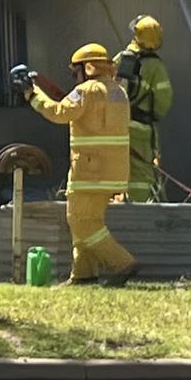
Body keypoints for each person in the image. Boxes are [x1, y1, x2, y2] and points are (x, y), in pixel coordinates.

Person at [25, 43, 139, 286]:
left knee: (81, 221)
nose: (74, 77)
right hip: (112, 171)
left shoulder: (86, 91)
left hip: (89, 170)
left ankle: (122, 263)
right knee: (86, 220)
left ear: (87, 69)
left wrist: (31, 94)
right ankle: (83, 274)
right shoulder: (118, 91)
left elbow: (58, 112)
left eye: (74, 72)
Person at [113, 15, 173, 203]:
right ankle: (139, 212)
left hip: (114, 126)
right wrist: (153, 115)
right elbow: (163, 100)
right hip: (141, 129)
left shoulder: (119, 59)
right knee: (140, 174)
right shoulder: (156, 66)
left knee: (116, 167)